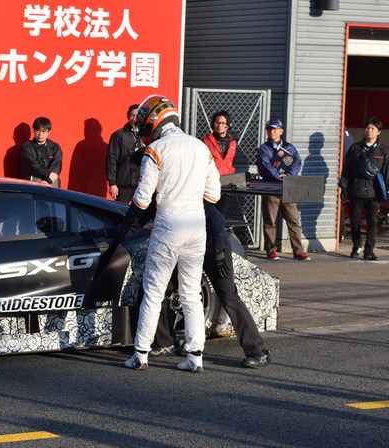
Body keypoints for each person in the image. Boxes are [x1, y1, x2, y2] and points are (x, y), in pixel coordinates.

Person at [118, 94, 221, 373]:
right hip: (196, 225)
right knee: (191, 294)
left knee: (153, 292)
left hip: (167, 224)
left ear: (153, 121)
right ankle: (195, 357)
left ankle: (141, 355)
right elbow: (214, 193)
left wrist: (128, 223)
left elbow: (142, 197)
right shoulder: (201, 147)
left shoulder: (157, 149)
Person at [149, 207, 272, 368]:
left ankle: (258, 351)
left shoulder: (188, 192)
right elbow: (140, 217)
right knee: (162, 290)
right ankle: (166, 343)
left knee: (228, 296)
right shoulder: (159, 196)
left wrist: (220, 252)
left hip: (213, 246)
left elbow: (218, 218)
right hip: (186, 249)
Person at [256, 119, 310, 261]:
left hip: (288, 188)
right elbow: (264, 165)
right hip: (271, 188)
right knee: (270, 221)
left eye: (274, 129)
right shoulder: (264, 148)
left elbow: (297, 162)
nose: (271, 132)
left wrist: (289, 176)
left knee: (293, 220)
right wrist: (278, 176)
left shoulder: (290, 148)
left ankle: (298, 251)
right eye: (269, 129)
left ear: (281, 131)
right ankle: (271, 250)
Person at [340, 117, 389, 261]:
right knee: (355, 222)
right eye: (367, 128)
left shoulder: (384, 150)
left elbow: (387, 172)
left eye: (373, 128)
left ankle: (369, 250)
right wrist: (343, 186)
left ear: (378, 132)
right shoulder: (355, 148)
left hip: (374, 192)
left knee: (372, 222)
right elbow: (346, 169)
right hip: (356, 189)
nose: (369, 130)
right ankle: (357, 245)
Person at [106, 104, 142, 204]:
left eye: (137, 116)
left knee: (143, 217)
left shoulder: (147, 135)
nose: (134, 119)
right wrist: (112, 183)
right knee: (121, 215)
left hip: (144, 185)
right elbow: (111, 160)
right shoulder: (119, 135)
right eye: (132, 115)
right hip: (124, 185)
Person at [21, 116, 62, 187]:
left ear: (49, 132)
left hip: (51, 184)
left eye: (44, 131)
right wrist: (48, 174)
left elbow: (57, 166)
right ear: (34, 130)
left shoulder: (55, 148)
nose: (40, 134)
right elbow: (32, 166)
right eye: (38, 130)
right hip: (31, 184)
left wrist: (47, 181)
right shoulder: (26, 147)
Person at [202, 110, 237, 176]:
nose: (220, 125)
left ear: (228, 125)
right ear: (213, 124)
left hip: (228, 179)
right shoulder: (206, 141)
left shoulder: (233, 142)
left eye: (223, 123)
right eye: (217, 123)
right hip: (211, 179)